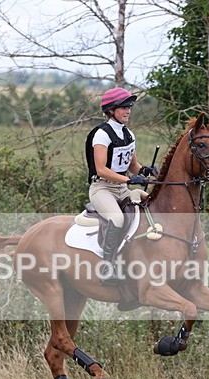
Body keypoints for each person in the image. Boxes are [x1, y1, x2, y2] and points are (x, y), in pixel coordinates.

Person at [85, 87, 157, 283]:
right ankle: (107, 269)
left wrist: (144, 171)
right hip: (102, 188)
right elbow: (101, 169)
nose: (128, 111)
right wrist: (128, 180)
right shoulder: (102, 134)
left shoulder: (129, 134)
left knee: (145, 207)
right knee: (117, 218)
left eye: (129, 107)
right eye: (123, 107)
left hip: (122, 189)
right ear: (111, 111)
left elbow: (132, 165)